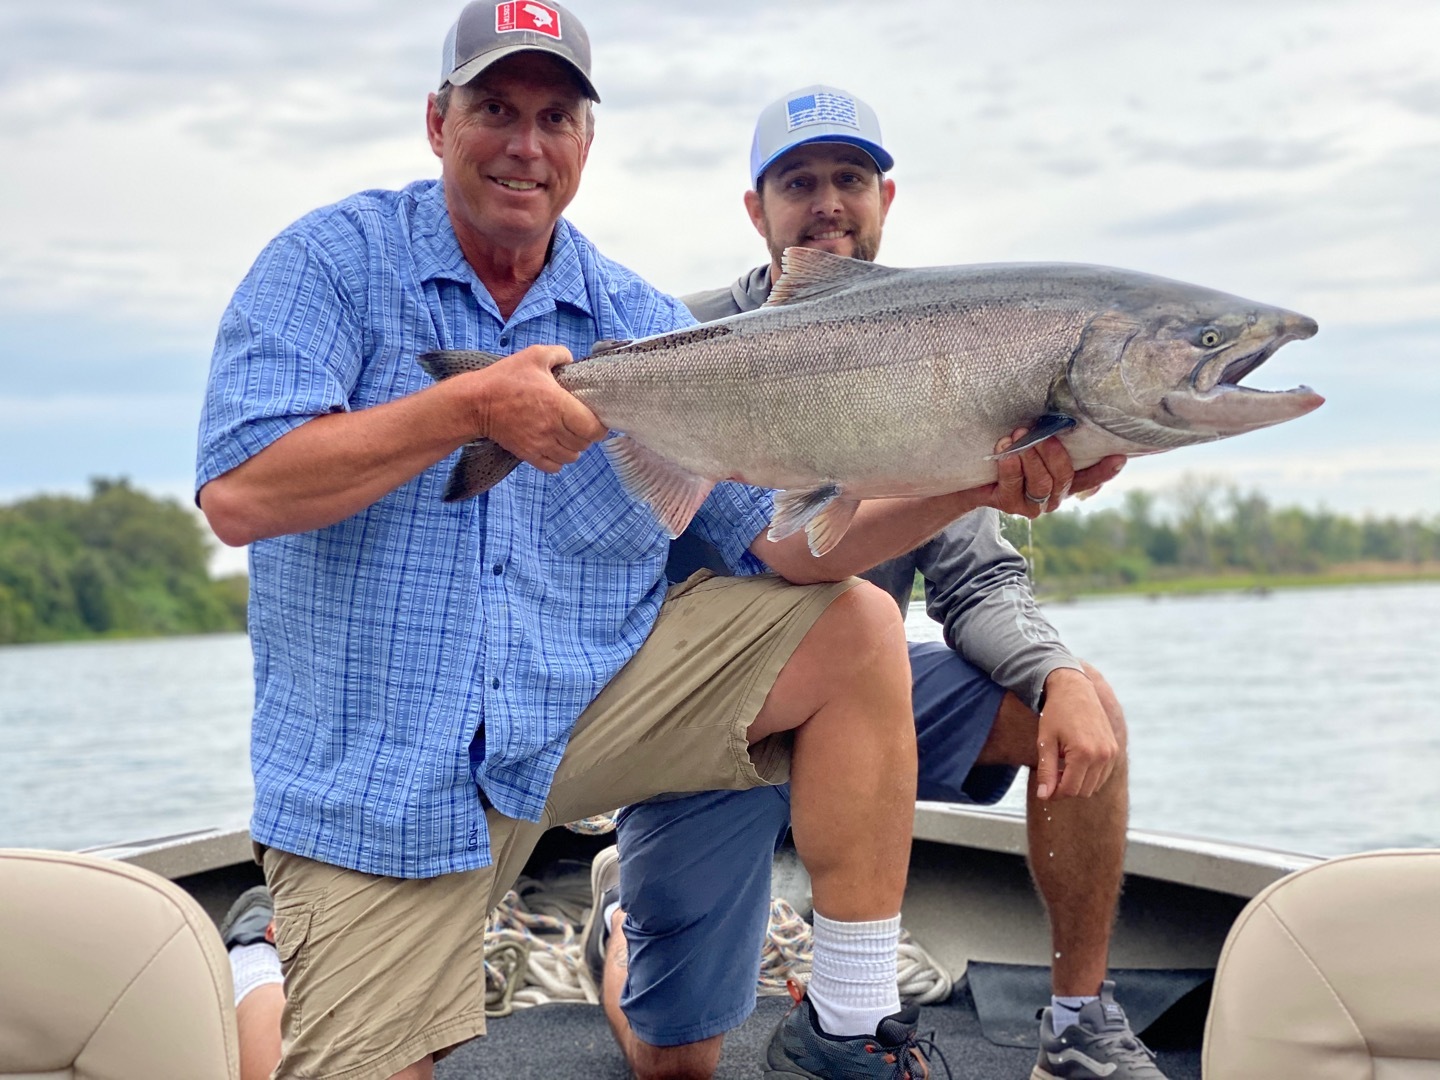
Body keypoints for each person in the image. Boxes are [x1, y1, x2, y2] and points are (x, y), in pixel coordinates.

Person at [196, 8, 1100, 1079]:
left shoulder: (636, 320)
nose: (525, 144)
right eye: (495, 109)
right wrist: (469, 407)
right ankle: (266, 958)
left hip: (578, 713)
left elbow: (784, 552)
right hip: (380, 772)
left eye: (556, 115)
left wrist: (976, 482)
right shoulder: (330, 262)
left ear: (586, 142)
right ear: (438, 123)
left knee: (857, 623)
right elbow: (240, 495)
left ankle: (850, 1026)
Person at [585, 85, 1168, 1080]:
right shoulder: (671, 340)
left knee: (1076, 705)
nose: (828, 204)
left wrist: (1055, 671)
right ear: (756, 209)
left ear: (885, 198)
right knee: (670, 1065)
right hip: (713, 723)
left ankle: (1077, 1019)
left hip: (868, 703)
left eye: (849, 179)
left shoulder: (950, 347)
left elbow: (977, 580)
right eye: (799, 182)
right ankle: (617, 931)